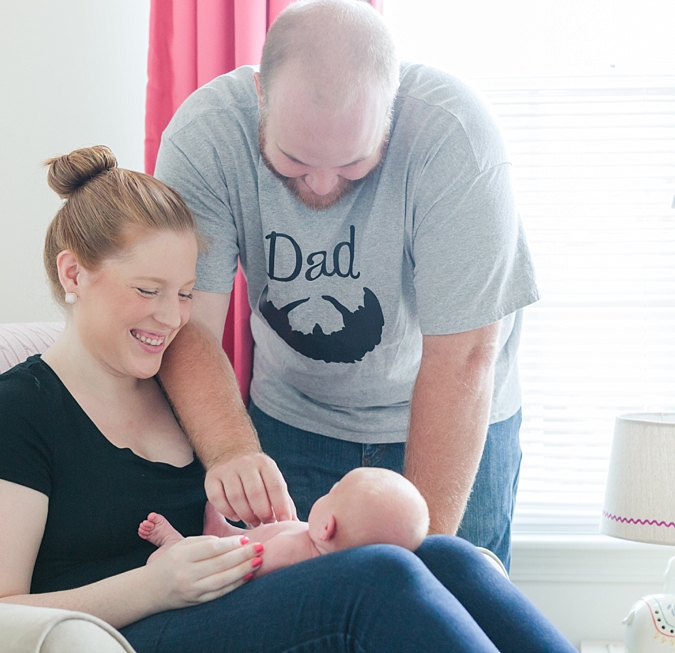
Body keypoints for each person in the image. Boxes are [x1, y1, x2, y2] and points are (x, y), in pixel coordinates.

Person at [0, 145, 576, 652]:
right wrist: (150, 586)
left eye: (186, 292)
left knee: (445, 556)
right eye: (148, 289)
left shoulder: (180, 396)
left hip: (218, 612)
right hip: (124, 634)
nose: (171, 318)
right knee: (381, 576)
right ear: (73, 273)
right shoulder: (14, 412)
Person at [152, 0, 538, 570]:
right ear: (261, 94)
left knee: (443, 606)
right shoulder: (206, 137)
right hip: (296, 422)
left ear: (392, 107)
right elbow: (186, 324)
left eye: (354, 163)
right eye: (294, 159)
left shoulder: (455, 137)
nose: (323, 183)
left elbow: (464, 359)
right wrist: (232, 450)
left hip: (448, 416)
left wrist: (414, 568)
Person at [140, 467, 430, 576]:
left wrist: (189, 555)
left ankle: (173, 543)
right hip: (250, 537)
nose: (327, 492)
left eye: (333, 492)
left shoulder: (292, 553)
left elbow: (238, 564)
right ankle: (223, 530)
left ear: (326, 527)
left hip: (225, 556)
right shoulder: (317, 544)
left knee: (182, 557)